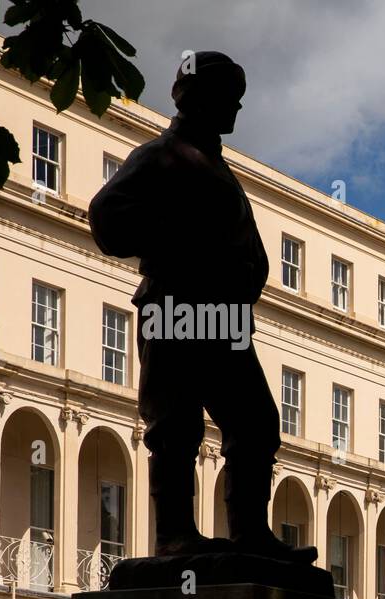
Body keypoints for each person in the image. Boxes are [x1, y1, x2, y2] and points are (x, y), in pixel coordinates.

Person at [89, 52, 314, 563]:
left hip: (224, 320)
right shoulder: (160, 156)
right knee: (176, 425)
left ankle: (250, 534)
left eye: (239, 99)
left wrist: (245, 272)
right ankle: (174, 536)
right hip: (174, 309)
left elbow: (246, 248)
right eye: (229, 99)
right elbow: (106, 218)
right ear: (200, 99)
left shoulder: (217, 167)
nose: (236, 110)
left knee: (255, 421)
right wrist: (185, 245)